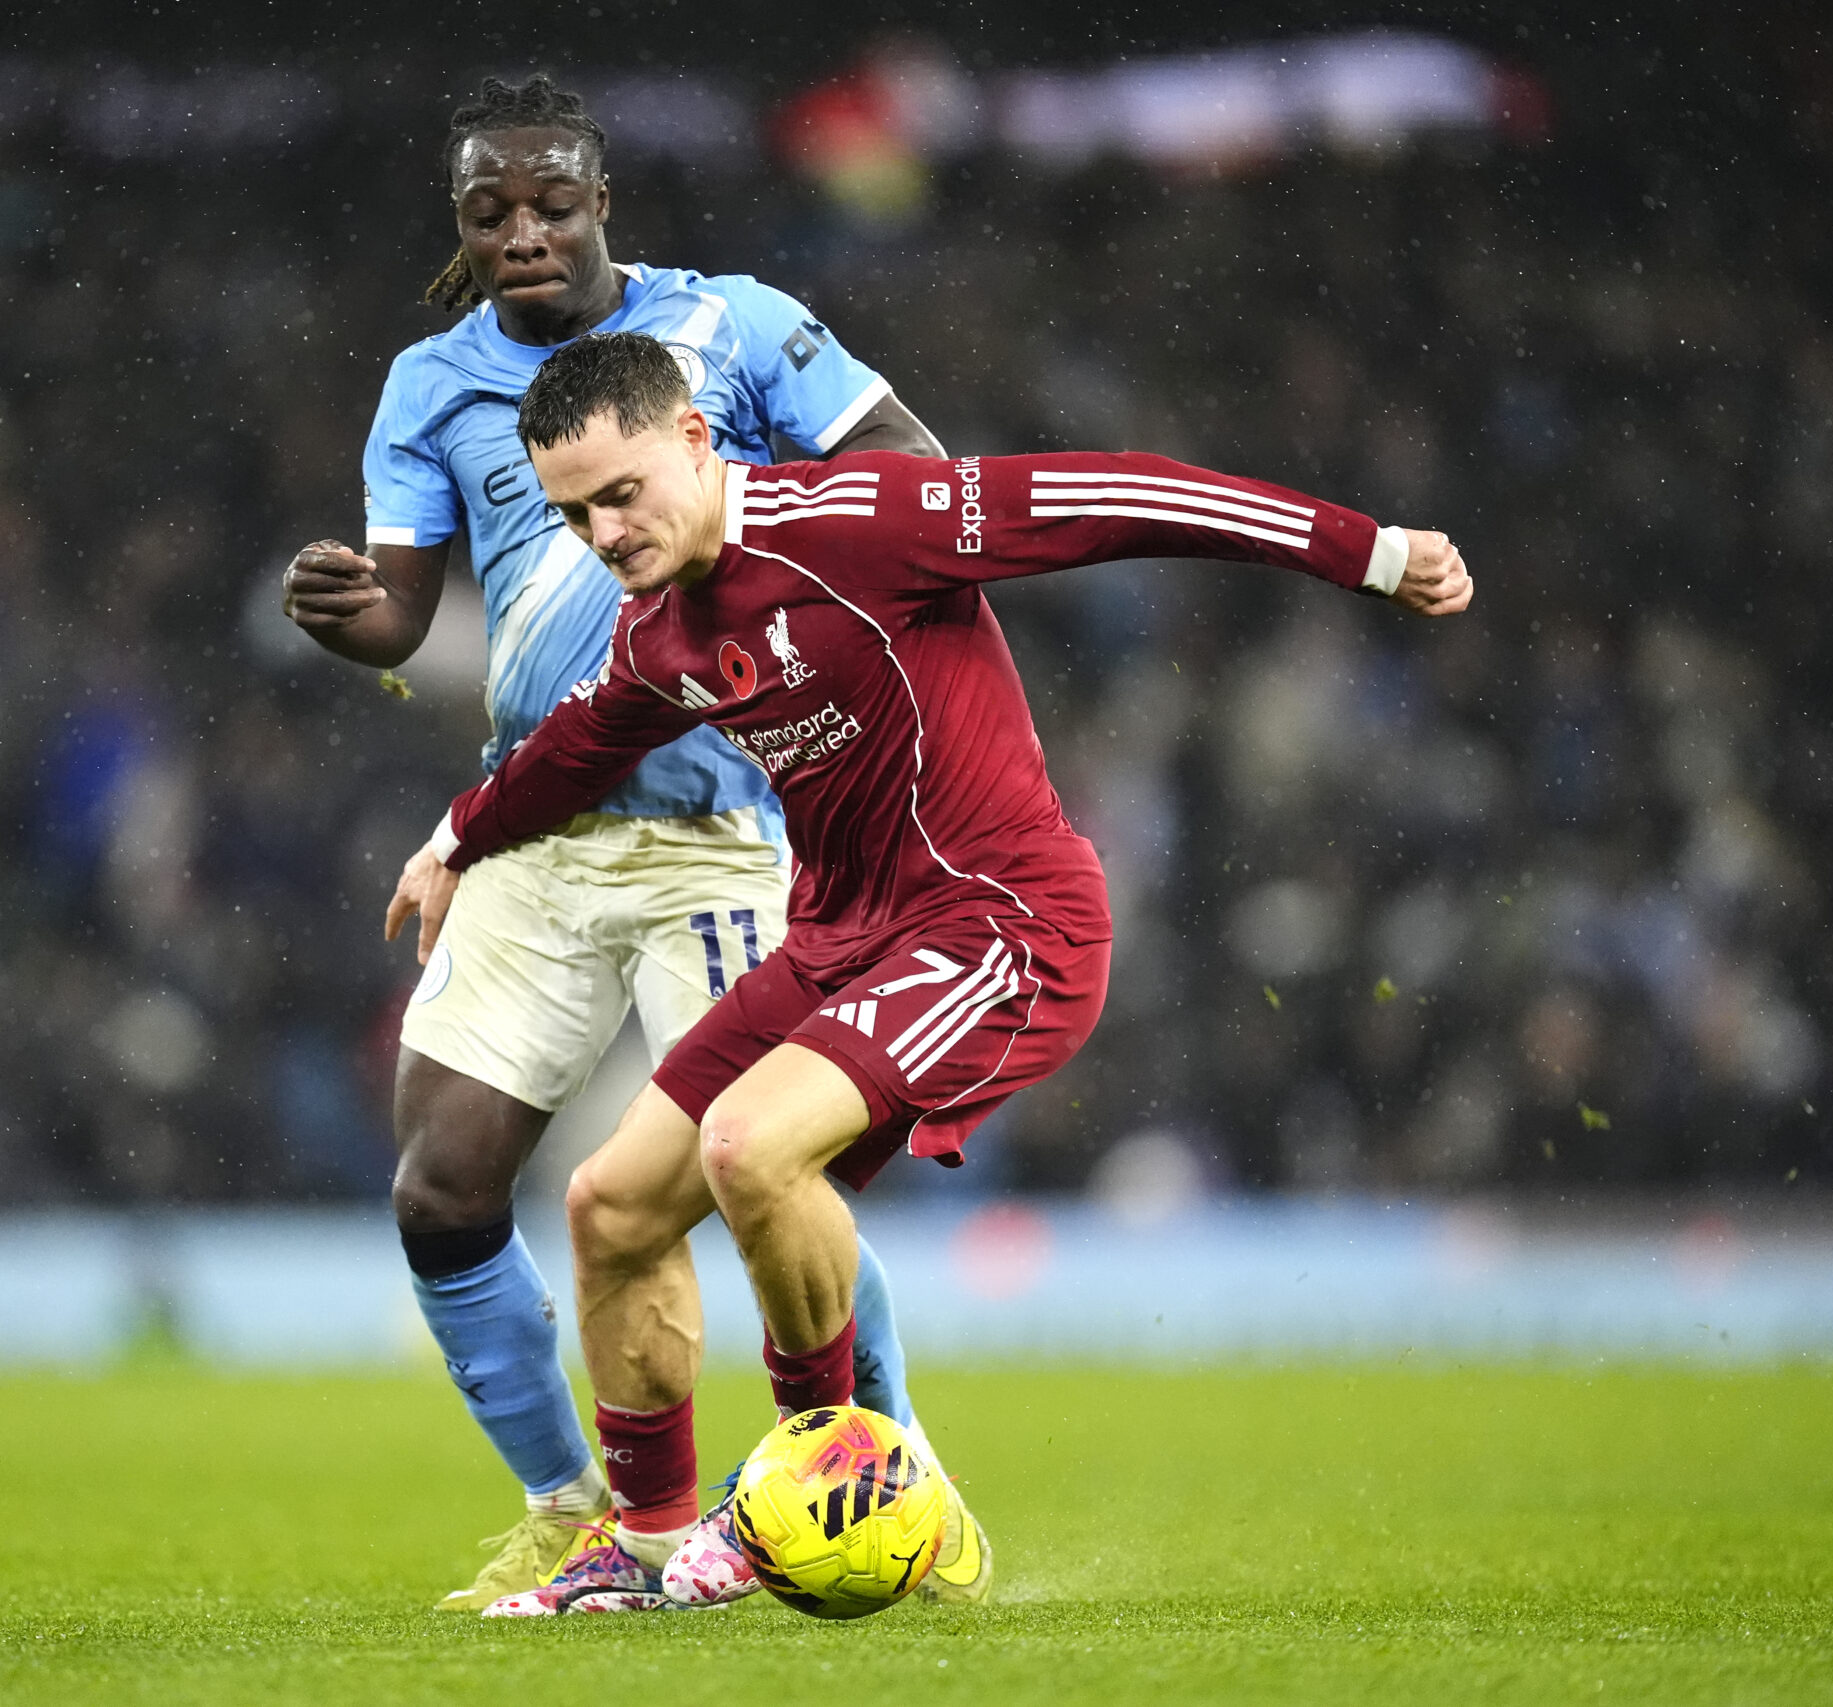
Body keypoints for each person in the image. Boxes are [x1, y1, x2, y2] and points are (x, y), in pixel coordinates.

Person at [385, 331, 1474, 1614]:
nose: (603, 531)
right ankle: (639, 1551)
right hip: (840, 937)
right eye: (573, 512)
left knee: (747, 1148)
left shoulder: (859, 521)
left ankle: (816, 1484)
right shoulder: (661, 628)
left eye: (621, 493)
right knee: (609, 1208)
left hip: (1000, 923)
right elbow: (579, 745)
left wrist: (1371, 554)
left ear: (693, 439)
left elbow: (1113, 496)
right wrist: (461, 834)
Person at [282, 77, 966, 1613]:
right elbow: (405, 605)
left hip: (721, 830)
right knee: (443, 1186)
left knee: (755, 1170)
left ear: (604, 207)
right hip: (533, 824)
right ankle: (568, 1506)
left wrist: (768, 563)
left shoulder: (731, 329)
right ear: (460, 228)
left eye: (552, 204)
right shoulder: (428, 384)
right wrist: (349, 615)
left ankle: (902, 1477)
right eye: (489, 211)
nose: (523, 231)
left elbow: (911, 468)